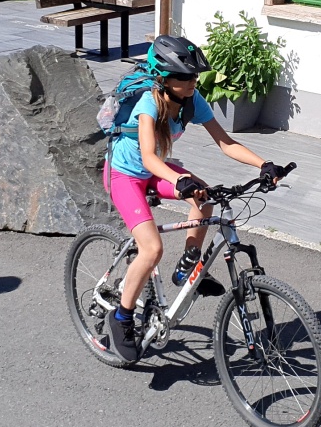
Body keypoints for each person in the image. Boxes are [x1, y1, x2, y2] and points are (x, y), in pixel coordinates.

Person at [101, 34, 284, 363]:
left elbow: (226, 142)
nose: (192, 82)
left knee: (206, 199)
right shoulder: (148, 103)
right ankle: (121, 318)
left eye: (194, 77)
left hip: (156, 171)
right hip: (124, 176)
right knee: (152, 249)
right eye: (184, 77)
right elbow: (148, 157)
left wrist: (263, 164)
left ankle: (188, 267)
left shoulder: (192, 100)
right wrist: (179, 179)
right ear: (163, 78)